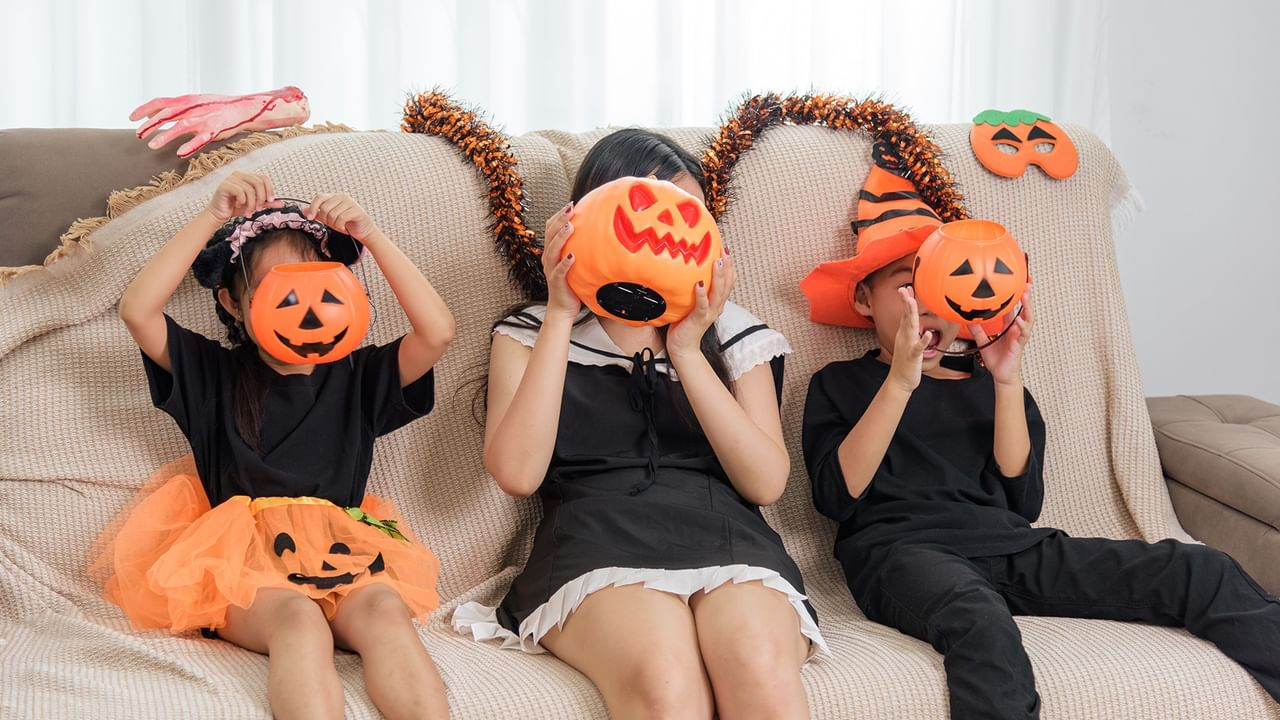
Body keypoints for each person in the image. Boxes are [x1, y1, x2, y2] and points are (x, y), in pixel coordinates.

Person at [800, 146, 1280, 719]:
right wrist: (901, 382)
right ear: (862, 298)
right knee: (977, 617)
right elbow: (837, 496)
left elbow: (1021, 502)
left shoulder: (992, 385)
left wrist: (1006, 380)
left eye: (939, 286)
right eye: (908, 286)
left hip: (1009, 545)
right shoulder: (839, 384)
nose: (926, 304)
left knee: (1199, 566)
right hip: (900, 553)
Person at [454, 129, 825, 720]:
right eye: (649, 221)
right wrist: (560, 312)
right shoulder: (531, 332)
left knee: (758, 668)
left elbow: (765, 484)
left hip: (729, 536)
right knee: (665, 684)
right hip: (596, 539)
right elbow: (518, 473)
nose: (669, 241)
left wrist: (687, 349)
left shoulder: (737, 335)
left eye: (691, 221)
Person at [96, 171, 455, 720]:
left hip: (342, 547)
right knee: (299, 622)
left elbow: (438, 333)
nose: (304, 309)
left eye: (319, 288)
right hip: (244, 560)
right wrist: (212, 217)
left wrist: (374, 237)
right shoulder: (211, 374)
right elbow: (138, 310)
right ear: (234, 305)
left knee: (385, 611)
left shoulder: (359, 376)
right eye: (279, 293)